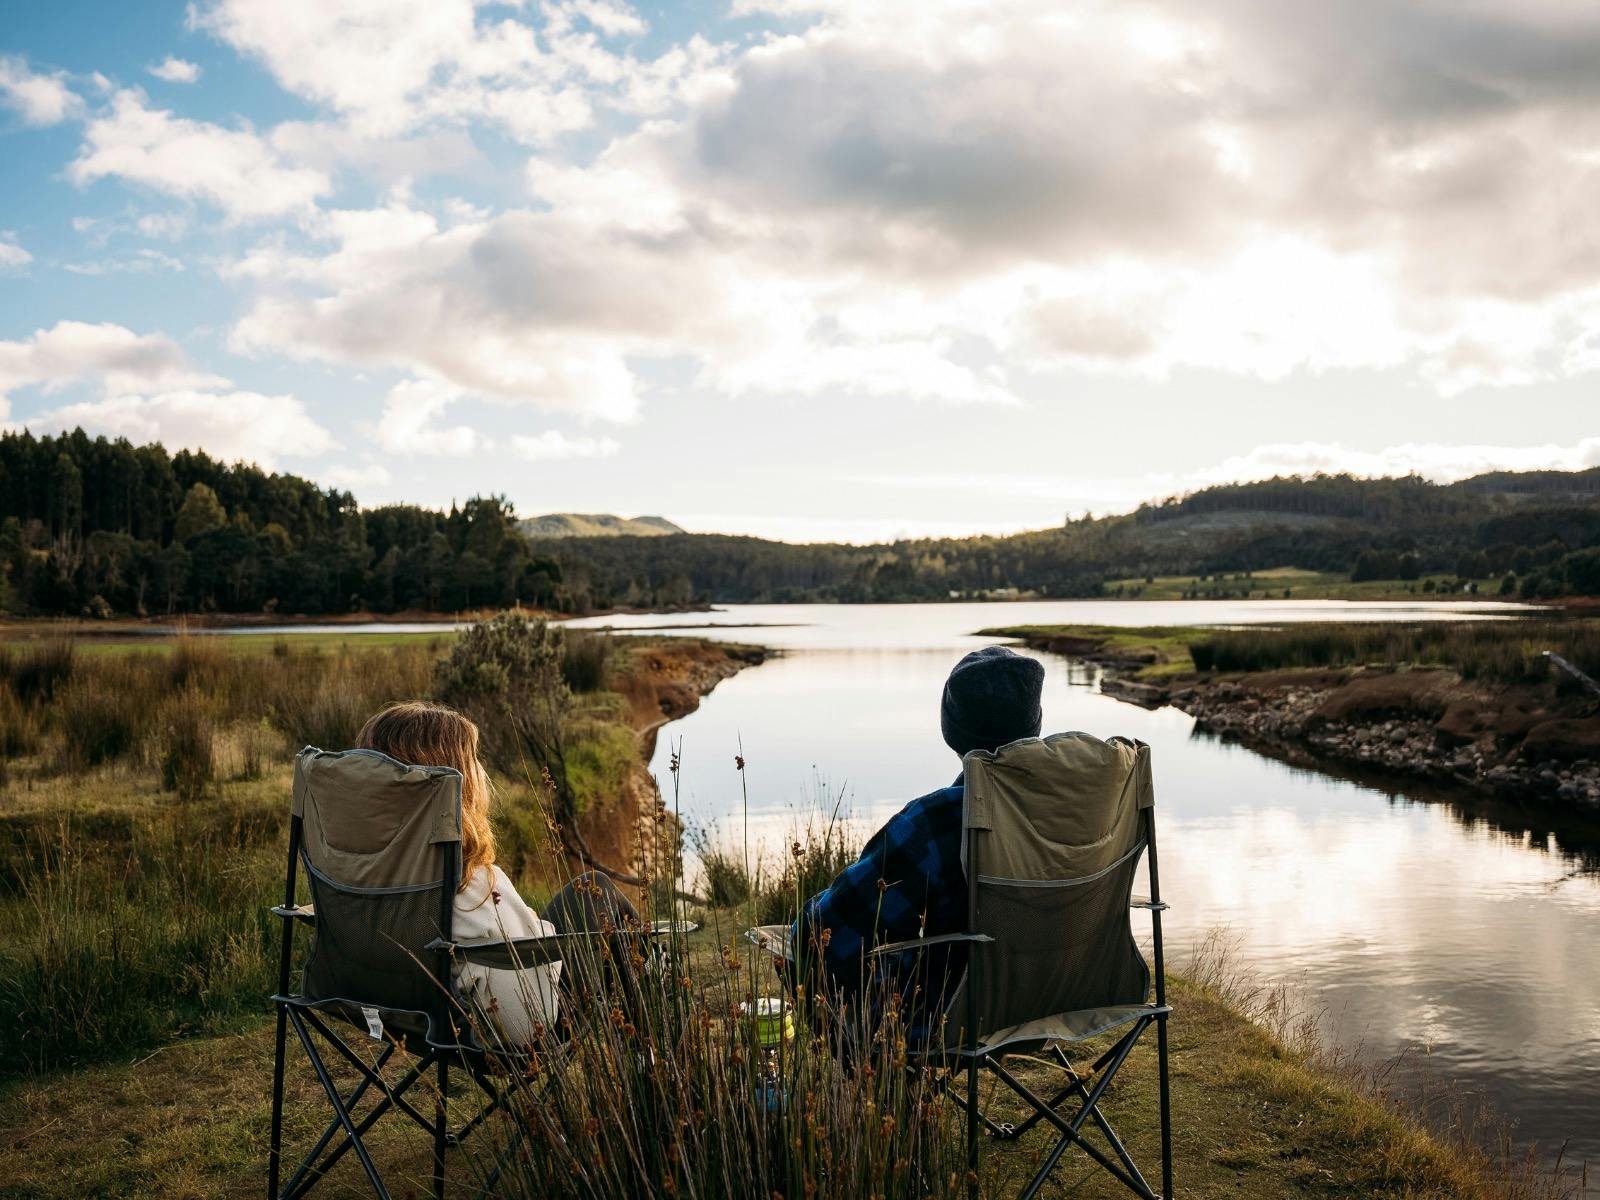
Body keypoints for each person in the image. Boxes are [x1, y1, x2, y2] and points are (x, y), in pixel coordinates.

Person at [791, 646, 1046, 1040]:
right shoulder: (1075, 807)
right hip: (1057, 996)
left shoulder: (936, 821)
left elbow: (825, 927)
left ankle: (879, 1094)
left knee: (804, 952)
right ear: (1034, 723)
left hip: (953, 1014)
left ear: (952, 731)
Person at [355, 702, 639, 1048]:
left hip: (394, 1011)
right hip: (508, 1034)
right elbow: (527, 1012)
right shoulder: (467, 883)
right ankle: (655, 1055)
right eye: (473, 759)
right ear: (450, 781)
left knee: (588, 894)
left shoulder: (362, 869)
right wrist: (546, 935)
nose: (480, 770)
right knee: (597, 890)